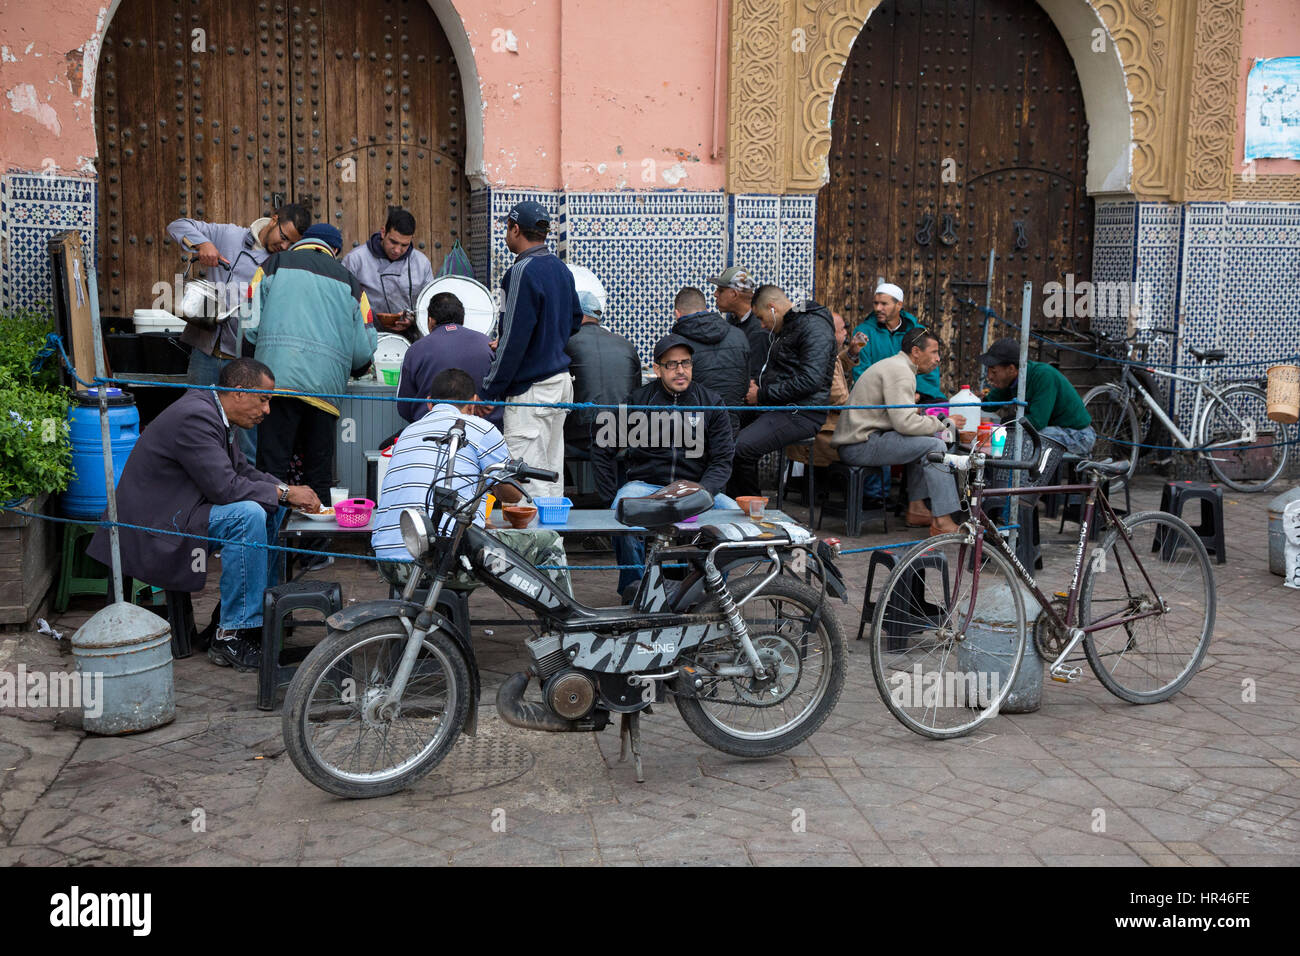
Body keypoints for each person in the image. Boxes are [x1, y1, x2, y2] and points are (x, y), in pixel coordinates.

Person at [86, 358, 320, 670]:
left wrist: (284, 491)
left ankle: (240, 616)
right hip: (155, 526)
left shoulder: (214, 412)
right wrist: (288, 493)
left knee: (271, 508)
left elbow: (241, 470)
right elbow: (226, 488)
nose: (267, 411)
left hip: (180, 512)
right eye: (263, 400)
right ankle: (231, 635)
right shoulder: (196, 416)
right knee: (247, 515)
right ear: (238, 392)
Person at [370, 368, 571, 595]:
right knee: (549, 543)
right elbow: (513, 496)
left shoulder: (407, 433)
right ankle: (560, 626)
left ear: (429, 403)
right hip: (442, 563)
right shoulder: (479, 428)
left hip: (388, 562)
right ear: (473, 402)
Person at [593, 334, 738, 603]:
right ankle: (634, 589)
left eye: (686, 363)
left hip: (697, 487)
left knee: (732, 517)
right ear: (657, 369)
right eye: (672, 364)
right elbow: (602, 449)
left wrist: (703, 493)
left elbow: (722, 461)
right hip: (647, 486)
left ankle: (709, 592)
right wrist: (608, 497)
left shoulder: (712, 403)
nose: (681, 370)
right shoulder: (639, 401)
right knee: (621, 508)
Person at [245, 223, 378, 512]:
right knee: (317, 473)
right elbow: (363, 351)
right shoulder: (352, 283)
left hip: (276, 386)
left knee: (272, 468)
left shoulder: (272, 265)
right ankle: (313, 552)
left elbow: (249, 325)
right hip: (324, 394)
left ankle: (271, 547)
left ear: (302, 242)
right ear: (335, 252)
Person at [166, 202, 311, 459]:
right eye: (283, 237)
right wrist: (203, 245)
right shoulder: (229, 235)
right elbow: (178, 225)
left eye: (292, 243)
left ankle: (245, 492)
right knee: (194, 421)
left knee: (246, 440)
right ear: (273, 220)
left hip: (246, 363)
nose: (284, 246)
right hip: (206, 352)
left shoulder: (282, 263)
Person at [479, 200, 583, 499]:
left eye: (507, 229)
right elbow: (575, 320)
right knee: (551, 475)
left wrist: (489, 391)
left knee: (526, 480)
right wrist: (544, 340)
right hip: (561, 384)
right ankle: (553, 544)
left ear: (514, 228)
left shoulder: (521, 271)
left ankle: (532, 545)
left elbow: (512, 341)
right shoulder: (561, 269)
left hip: (533, 391)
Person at [831, 328, 961, 535]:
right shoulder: (901, 371)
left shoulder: (897, 366)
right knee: (935, 445)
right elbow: (905, 424)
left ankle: (917, 508)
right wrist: (942, 423)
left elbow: (901, 417)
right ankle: (943, 521)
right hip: (858, 445)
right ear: (916, 352)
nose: (938, 359)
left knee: (925, 439)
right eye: (934, 352)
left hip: (863, 441)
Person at [729, 285, 836, 498]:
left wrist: (761, 394)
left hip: (802, 413)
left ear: (772, 308)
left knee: (740, 449)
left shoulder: (814, 328)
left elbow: (810, 380)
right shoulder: (790, 325)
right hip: (778, 406)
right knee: (722, 430)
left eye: (761, 318)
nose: (762, 325)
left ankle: (752, 509)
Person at [397, 291, 499, 428]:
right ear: (462, 319)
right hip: (484, 431)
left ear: (430, 321)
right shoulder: (488, 344)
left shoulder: (416, 350)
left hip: (430, 432)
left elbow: (404, 407)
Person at [980, 338, 1096, 455]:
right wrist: (977, 400)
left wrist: (1007, 423)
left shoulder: (1043, 375)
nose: (989, 376)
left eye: (994, 372)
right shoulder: (1011, 380)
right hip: (1053, 430)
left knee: (1023, 437)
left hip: (1078, 436)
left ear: (1011, 369)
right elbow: (989, 404)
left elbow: (1037, 422)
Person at [564, 290, 641, 456]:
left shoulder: (566, 343)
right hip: (622, 436)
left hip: (580, 435)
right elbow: (638, 393)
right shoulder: (626, 344)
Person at [844, 282, 944, 405]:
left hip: (915, 395)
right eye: (876, 303)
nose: (878, 308)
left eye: (884, 304)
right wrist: (888, 396)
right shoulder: (864, 332)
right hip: (876, 398)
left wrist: (918, 394)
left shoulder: (918, 332)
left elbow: (929, 365)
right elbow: (861, 370)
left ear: (899, 305)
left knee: (941, 408)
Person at [669, 286, 750, 435]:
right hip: (730, 427)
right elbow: (744, 387)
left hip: (689, 430)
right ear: (706, 309)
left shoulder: (675, 344)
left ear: (677, 313)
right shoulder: (739, 336)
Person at [340, 206, 434, 332]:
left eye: (404, 245)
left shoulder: (422, 263)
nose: (397, 250)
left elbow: (430, 304)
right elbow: (341, 301)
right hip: (367, 336)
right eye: (393, 242)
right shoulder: (355, 259)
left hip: (412, 336)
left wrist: (412, 319)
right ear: (383, 232)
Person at [786, 311, 851, 469]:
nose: (846, 333)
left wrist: (851, 353)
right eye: (842, 330)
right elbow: (839, 398)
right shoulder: (820, 354)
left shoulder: (816, 348)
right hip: (824, 429)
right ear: (831, 333)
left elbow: (837, 364)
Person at [707, 265, 768, 389]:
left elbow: (755, 376)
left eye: (720, 290)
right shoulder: (733, 319)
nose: (715, 294)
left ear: (734, 294)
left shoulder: (759, 329)